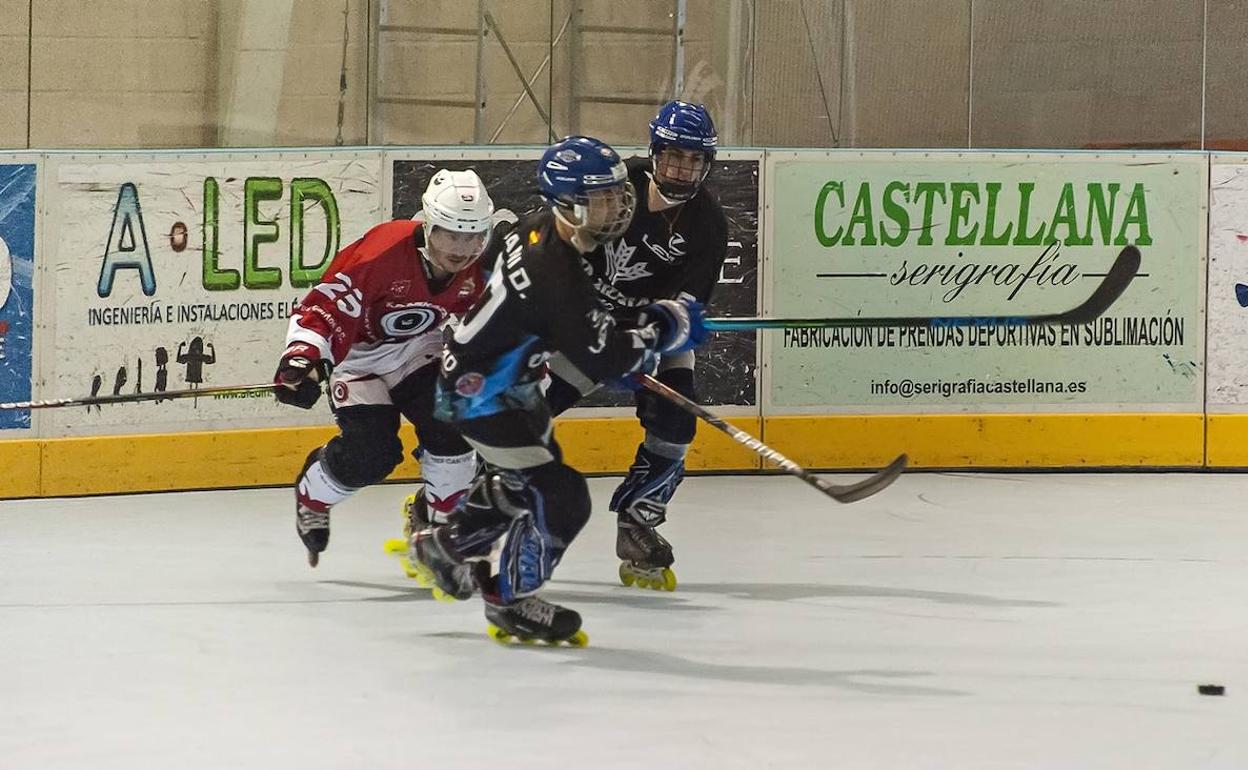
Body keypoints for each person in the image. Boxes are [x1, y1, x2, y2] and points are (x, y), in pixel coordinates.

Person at [409, 136, 709, 645]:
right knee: (563, 497)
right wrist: (662, 327)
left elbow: (571, 322)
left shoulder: (541, 230)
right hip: (482, 395)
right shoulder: (553, 269)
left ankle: (447, 545)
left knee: (525, 482)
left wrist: (617, 332)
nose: (619, 205)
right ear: (569, 202)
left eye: (618, 193)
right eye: (603, 197)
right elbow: (602, 356)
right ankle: (511, 599)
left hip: (499, 378)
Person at [274, 169, 508, 567]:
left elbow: (495, 319)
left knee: (452, 429)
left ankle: (443, 532)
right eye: (451, 233)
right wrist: (302, 359)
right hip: (357, 360)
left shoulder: (482, 265)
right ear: (429, 225)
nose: (461, 248)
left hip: (417, 349)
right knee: (373, 455)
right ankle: (313, 493)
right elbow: (325, 305)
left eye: (473, 236)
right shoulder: (384, 249)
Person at [544, 100, 727, 591]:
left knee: (676, 422)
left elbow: (684, 311)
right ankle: (455, 498)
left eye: (694, 160)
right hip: (585, 323)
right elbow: (554, 247)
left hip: (648, 328)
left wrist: (649, 338)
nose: (682, 169)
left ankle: (639, 520)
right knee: (526, 410)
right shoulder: (612, 185)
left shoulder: (707, 225)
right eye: (673, 157)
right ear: (654, 153)